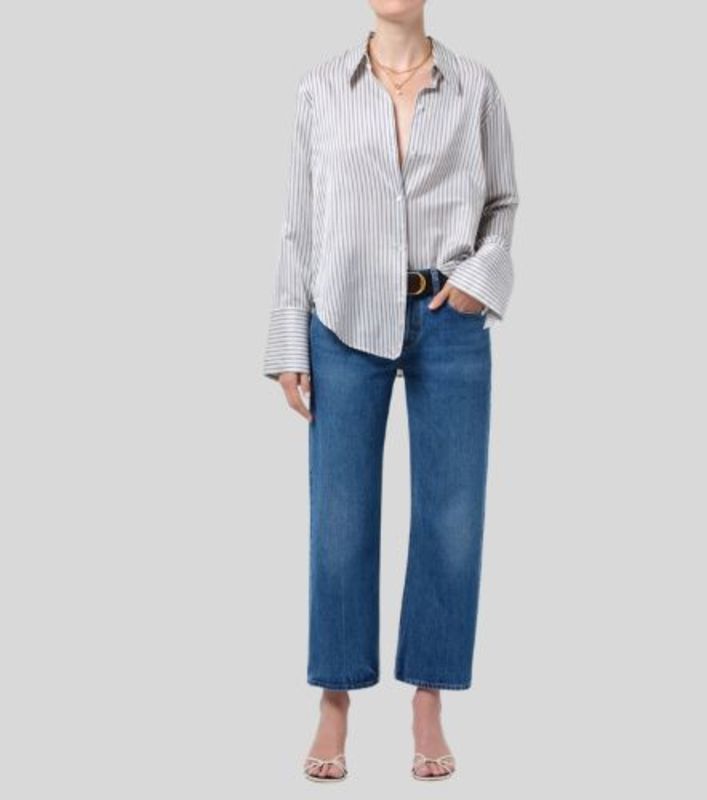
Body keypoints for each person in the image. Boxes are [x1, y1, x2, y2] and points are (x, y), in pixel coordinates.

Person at [262, 0, 519, 782]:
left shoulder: (476, 87)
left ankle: (429, 696)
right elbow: (298, 225)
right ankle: (335, 696)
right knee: (339, 516)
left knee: (453, 516)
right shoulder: (319, 89)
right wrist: (289, 340)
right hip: (343, 315)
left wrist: (477, 280)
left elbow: (502, 202)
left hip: (448, 316)